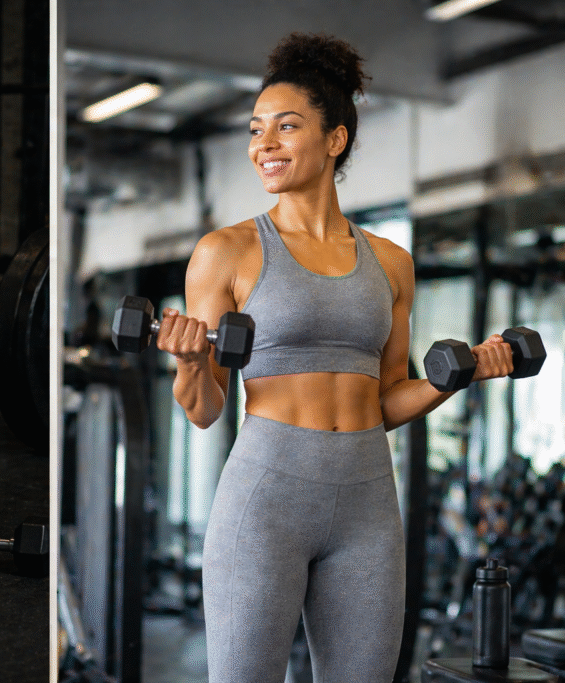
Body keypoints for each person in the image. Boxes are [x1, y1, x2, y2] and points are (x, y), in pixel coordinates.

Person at [155, 34, 515, 682]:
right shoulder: (226, 252)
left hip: (369, 500)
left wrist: (453, 379)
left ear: (334, 139)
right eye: (256, 129)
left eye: (286, 127)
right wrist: (187, 362)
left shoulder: (392, 263)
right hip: (266, 494)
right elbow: (206, 410)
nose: (263, 144)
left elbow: (386, 399)